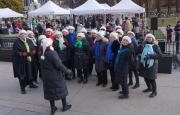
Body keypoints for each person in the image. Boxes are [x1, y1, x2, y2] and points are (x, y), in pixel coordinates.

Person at [40, 38, 72, 115]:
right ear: (50, 45)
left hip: (46, 76)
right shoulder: (52, 53)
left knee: (50, 92)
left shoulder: (41, 53)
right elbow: (59, 65)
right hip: (56, 76)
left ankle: (53, 108)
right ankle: (64, 106)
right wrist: (68, 71)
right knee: (61, 90)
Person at [12, 30, 38, 94]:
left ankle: (31, 84)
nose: (23, 35)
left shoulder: (29, 40)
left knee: (31, 72)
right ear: (19, 35)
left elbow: (33, 48)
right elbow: (16, 52)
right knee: (22, 74)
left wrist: (33, 52)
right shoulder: (16, 42)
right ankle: (22, 88)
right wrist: (26, 54)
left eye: (24, 34)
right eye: (22, 34)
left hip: (29, 60)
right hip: (21, 61)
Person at [139, 33, 162, 98]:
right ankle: (149, 88)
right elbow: (141, 52)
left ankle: (154, 92)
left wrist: (150, 56)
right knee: (145, 77)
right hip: (144, 63)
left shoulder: (155, 46)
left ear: (152, 39)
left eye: (150, 37)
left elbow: (160, 55)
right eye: (147, 37)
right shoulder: (144, 45)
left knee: (151, 79)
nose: (149, 39)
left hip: (152, 65)